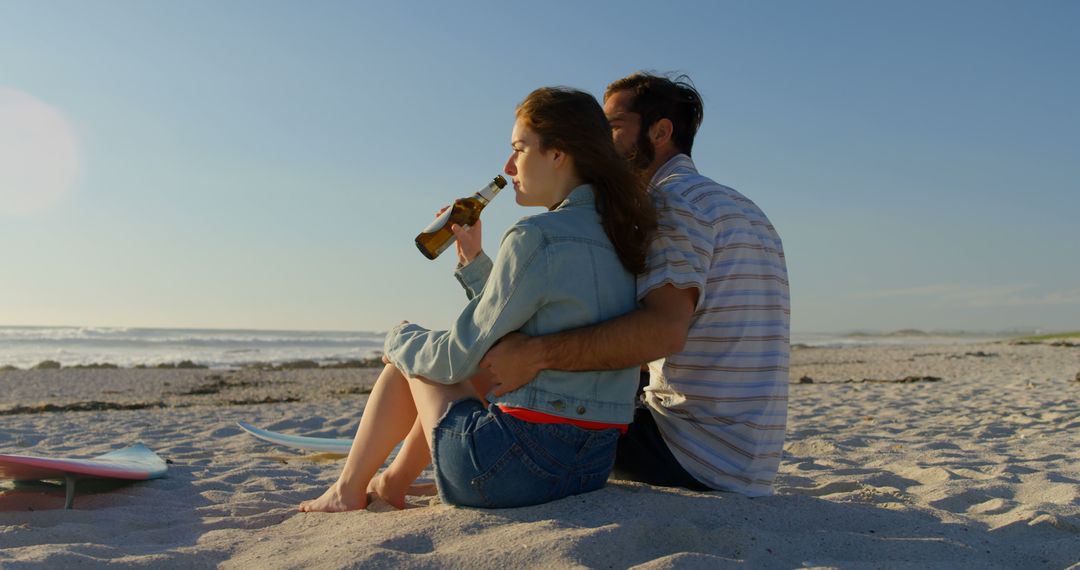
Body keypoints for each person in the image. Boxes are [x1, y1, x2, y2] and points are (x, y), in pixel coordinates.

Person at [299, 86, 657, 511]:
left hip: (509, 470)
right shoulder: (622, 235)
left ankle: (346, 490)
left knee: (414, 360)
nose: (508, 166)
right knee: (466, 368)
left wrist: (397, 339)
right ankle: (390, 485)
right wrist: (472, 259)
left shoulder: (536, 236)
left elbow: (457, 356)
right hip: (590, 468)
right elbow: (521, 315)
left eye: (520, 149)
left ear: (558, 154)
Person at [481, 72, 790, 497]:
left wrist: (535, 354)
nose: (599, 141)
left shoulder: (670, 203)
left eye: (612, 128)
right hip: (749, 459)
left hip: (690, 454)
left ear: (660, 132)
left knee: (517, 377)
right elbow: (705, 339)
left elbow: (664, 330)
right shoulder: (741, 207)